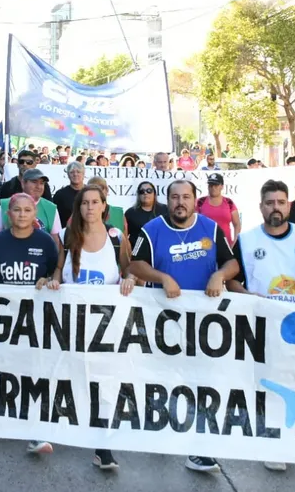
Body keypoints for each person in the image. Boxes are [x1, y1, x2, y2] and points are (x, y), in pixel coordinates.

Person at [126, 180, 239, 474]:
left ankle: (198, 450)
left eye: (186, 197)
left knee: (202, 383)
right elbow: (135, 266)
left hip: (205, 322)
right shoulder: (152, 230)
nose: (180, 202)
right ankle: (161, 434)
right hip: (162, 320)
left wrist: (219, 275)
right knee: (163, 380)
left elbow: (232, 264)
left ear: (194, 200)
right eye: (175, 197)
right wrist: (162, 277)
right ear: (168, 200)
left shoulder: (210, 228)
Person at [228, 180, 295, 473]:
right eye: (270, 203)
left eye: (280, 202)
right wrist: (247, 297)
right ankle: (271, 441)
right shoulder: (247, 239)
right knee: (265, 383)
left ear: (288, 205)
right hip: (260, 324)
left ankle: (293, 437)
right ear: (261, 207)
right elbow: (231, 278)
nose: (275, 208)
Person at [48, 185, 133, 470]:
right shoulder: (66, 236)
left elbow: (129, 269)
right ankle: (46, 433)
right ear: (78, 207)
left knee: (103, 385)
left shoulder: (116, 238)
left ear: (104, 205)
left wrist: (130, 279)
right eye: (84, 203)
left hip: (105, 327)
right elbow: (59, 269)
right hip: (71, 324)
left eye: (95, 202)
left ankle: (102, 447)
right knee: (65, 379)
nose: (90, 208)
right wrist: (54, 280)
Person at [0, 193, 59, 456]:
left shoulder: (46, 242)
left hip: (37, 320)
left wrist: (48, 281)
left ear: (35, 215)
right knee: (4, 370)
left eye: (28, 210)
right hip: (4, 320)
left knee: (35, 373)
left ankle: (35, 429)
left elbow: (56, 275)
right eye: (17, 210)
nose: (22, 214)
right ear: (8, 213)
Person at [0, 169, 62, 237]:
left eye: (42, 183)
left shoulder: (51, 208)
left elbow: (56, 240)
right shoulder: (4, 205)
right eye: (34, 182)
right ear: (23, 183)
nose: (38, 187)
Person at [196, 173, 240, 244]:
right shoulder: (200, 202)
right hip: (205, 245)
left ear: (222, 186)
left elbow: (237, 224)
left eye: (216, 185)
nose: (213, 188)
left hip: (226, 245)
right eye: (211, 185)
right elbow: (193, 223)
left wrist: (235, 242)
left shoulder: (229, 202)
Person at [124, 180, 167, 245]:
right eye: (142, 191)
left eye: (149, 190)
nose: (145, 193)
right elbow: (124, 236)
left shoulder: (165, 210)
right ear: (138, 195)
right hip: (138, 252)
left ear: (154, 194)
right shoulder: (130, 213)